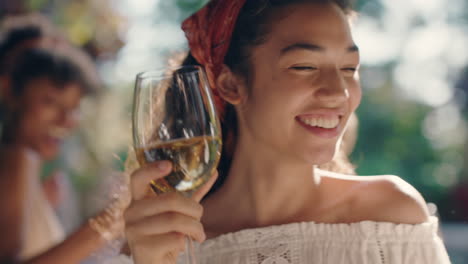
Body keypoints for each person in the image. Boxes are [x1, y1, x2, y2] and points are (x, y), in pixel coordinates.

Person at [119, 0, 452, 263]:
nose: (338, 92)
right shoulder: (167, 239)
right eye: (305, 66)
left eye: (349, 68)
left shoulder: (390, 218)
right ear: (231, 83)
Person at [0, 16, 126, 264]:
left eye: (73, 108)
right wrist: (113, 219)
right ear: (10, 91)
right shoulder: (16, 157)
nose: (65, 121)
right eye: (50, 102)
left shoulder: (29, 169)